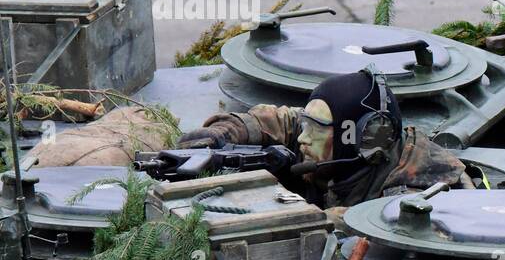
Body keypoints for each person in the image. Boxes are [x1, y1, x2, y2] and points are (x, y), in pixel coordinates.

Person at [177, 68, 469, 209]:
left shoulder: (422, 189)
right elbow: (283, 121)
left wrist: (321, 222)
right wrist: (221, 134)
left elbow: (388, 228)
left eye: (316, 129)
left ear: (363, 137)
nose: (303, 138)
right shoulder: (335, 146)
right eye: (307, 124)